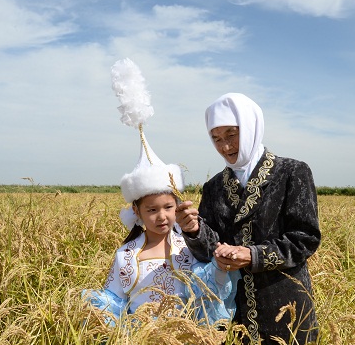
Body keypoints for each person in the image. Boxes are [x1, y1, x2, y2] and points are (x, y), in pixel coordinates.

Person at [175, 93, 321, 345]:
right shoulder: (214, 187)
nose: (225, 146)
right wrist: (193, 230)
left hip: (285, 306)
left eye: (232, 134)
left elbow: (305, 238)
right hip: (234, 312)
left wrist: (252, 255)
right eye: (216, 138)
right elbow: (209, 250)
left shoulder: (292, 173)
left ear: (251, 127)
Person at [83, 130, 239, 326]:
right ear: (137, 211)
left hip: (185, 343)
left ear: (178, 207)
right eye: (152, 210)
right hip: (142, 344)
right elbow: (114, 303)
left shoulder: (188, 247)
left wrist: (220, 264)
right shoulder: (126, 255)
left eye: (168, 207)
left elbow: (206, 290)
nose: (162, 216)